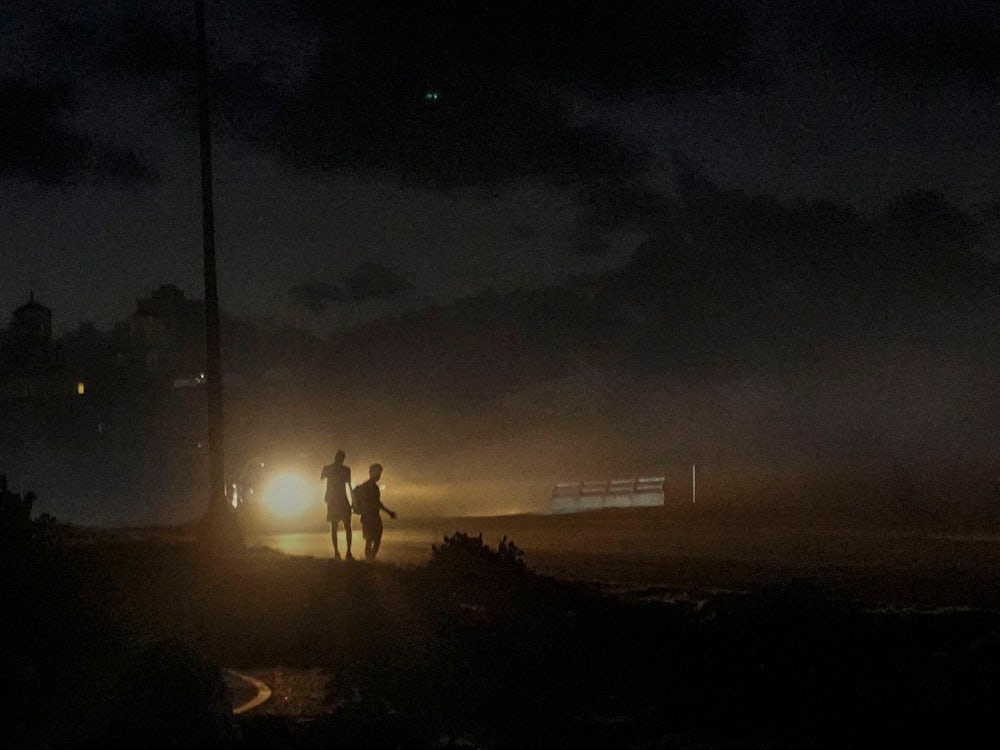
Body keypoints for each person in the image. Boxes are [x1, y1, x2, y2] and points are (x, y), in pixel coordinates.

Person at [353, 463, 396, 560]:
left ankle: (369, 560)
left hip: (367, 517)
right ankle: (370, 560)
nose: (379, 476)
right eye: (378, 473)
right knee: (374, 540)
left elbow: (377, 503)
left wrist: (389, 512)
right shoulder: (371, 487)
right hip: (371, 516)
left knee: (370, 540)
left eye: (380, 473)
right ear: (371, 473)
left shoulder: (367, 486)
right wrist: (389, 512)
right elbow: (377, 503)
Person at [321, 450, 354, 560]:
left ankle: (337, 552)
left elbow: (322, 479)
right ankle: (347, 552)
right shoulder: (345, 470)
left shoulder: (328, 468)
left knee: (335, 526)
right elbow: (349, 486)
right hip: (341, 499)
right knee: (347, 526)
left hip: (333, 500)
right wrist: (353, 501)